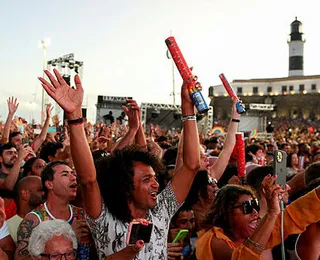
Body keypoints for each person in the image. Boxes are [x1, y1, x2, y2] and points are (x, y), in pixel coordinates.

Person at [38, 68, 200, 259]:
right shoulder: (104, 219)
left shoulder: (161, 210)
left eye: (155, 178)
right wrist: (74, 116)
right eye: (147, 179)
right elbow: (89, 180)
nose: (156, 184)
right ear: (125, 185)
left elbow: (191, 166)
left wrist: (188, 109)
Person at [196, 175, 320, 260]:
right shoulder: (214, 239)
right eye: (247, 207)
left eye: (256, 205)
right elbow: (244, 258)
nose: (255, 212)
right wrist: (272, 213)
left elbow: (291, 217)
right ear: (226, 212)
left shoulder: (248, 236)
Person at [15, 161, 92, 260]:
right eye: (65, 174)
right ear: (50, 184)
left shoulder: (82, 215)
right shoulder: (34, 220)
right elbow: (21, 259)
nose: (73, 178)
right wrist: (69, 236)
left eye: (73, 174)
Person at [7, 176, 44, 243]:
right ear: (25, 194)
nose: (44, 194)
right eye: (40, 190)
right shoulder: (7, 228)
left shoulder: (50, 220)